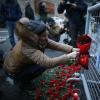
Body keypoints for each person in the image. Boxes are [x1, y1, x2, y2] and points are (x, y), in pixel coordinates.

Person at [3, 18, 79, 88]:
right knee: (42, 65)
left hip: (21, 64)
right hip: (14, 72)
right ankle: (22, 83)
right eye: (43, 36)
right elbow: (48, 63)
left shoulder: (35, 39)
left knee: (41, 61)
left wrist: (72, 49)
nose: (46, 38)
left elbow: (55, 45)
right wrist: (69, 57)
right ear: (34, 37)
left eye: (47, 34)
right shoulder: (26, 47)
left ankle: (24, 77)